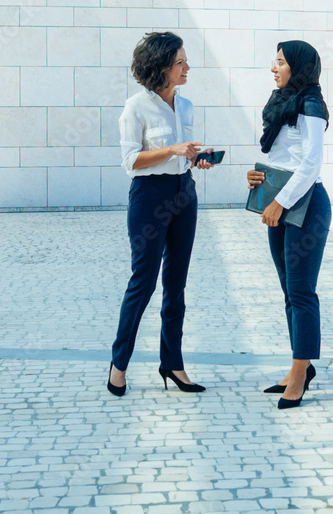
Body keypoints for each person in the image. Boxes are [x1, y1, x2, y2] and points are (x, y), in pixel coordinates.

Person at [107, 32, 215, 397]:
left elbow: (180, 153)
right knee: (144, 282)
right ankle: (118, 365)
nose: (187, 68)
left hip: (184, 194)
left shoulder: (185, 106)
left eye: (185, 61)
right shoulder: (135, 106)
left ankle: (172, 363)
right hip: (149, 198)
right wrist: (172, 149)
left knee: (177, 285)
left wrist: (195, 157)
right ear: (161, 67)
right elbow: (129, 161)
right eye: (180, 62)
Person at [246, 40, 331, 409]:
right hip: (281, 203)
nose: (273, 68)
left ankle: (299, 376)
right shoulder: (284, 102)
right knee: (288, 292)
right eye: (274, 61)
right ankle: (300, 365)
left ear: (298, 67)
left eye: (280, 62)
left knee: (301, 292)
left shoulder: (310, 104)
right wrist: (259, 179)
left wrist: (280, 202)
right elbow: (286, 158)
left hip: (305, 207)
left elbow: (311, 164)